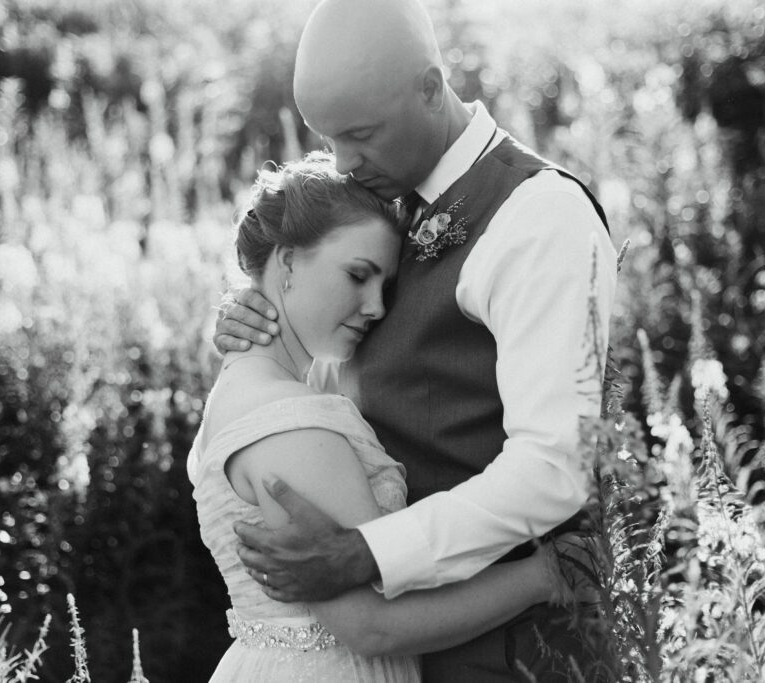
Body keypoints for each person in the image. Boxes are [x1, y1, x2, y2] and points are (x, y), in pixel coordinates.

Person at [214, 0, 618, 679]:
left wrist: (366, 550)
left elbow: (555, 468)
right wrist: (257, 321)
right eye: (328, 136)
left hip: (509, 652)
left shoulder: (540, 218)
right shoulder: (379, 193)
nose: (342, 161)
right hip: (398, 649)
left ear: (430, 89)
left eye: (361, 133)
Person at [190, 153, 577, 682]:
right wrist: (546, 576)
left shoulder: (238, 393)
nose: (375, 307)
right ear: (286, 264)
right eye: (357, 275)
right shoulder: (290, 423)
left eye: (384, 287)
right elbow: (372, 627)